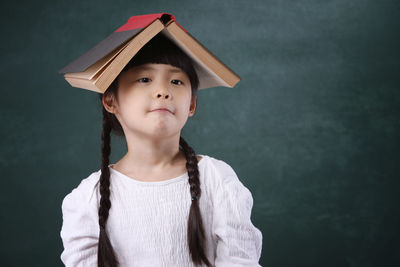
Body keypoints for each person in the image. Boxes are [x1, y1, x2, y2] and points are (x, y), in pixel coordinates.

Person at [60, 33, 263, 266]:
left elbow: (240, 260)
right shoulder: (87, 198)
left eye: (176, 82)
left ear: (192, 105)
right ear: (110, 101)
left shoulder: (217, 180)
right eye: (144, 79)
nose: (163, 91)